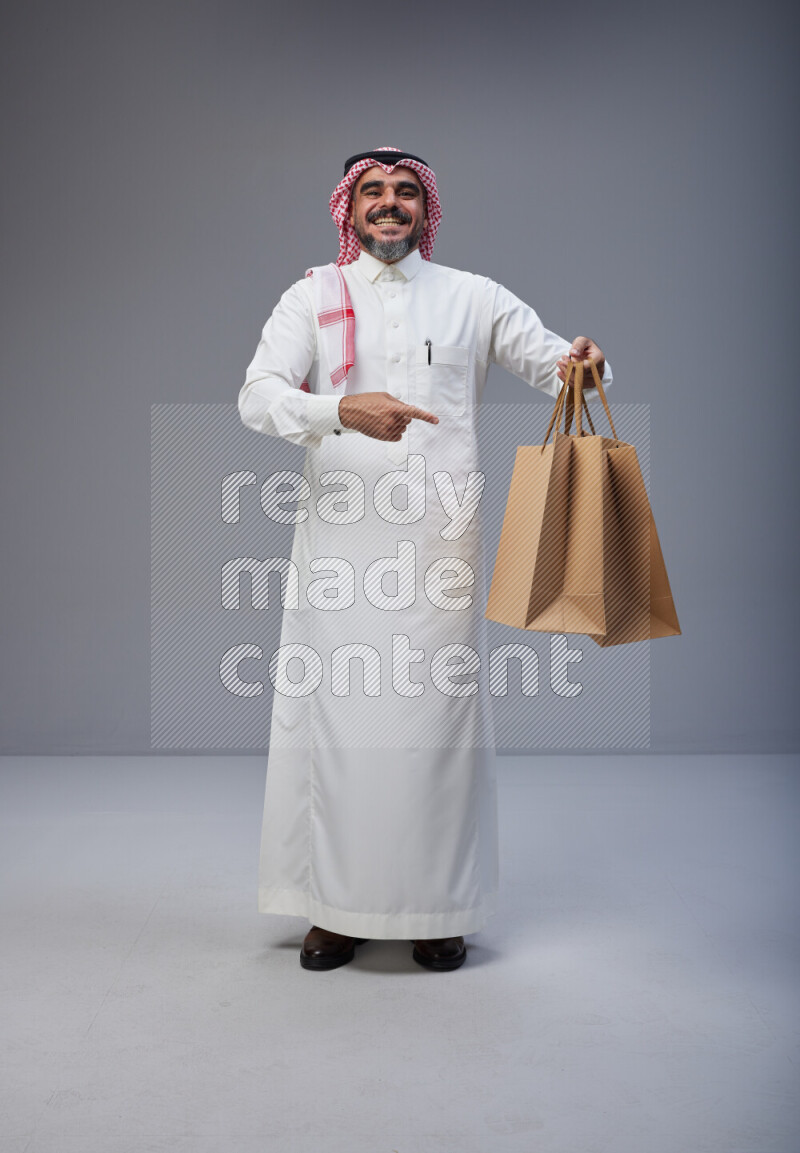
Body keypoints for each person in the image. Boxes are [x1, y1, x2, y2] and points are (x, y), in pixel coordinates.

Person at [238, 147, 611, 972]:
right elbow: (257, 395)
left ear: (426, 208)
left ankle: (438, 909)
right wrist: (341, 408)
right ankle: (335, 908)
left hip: (442, 543)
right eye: (373, 192)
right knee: (340, 723)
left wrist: (584, 364)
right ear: (349, 207)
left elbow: (559, 365)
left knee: (435, 732)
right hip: (343, 543)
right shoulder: (313, 295)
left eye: (406, 193)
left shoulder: (472, 296)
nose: (390, 205)